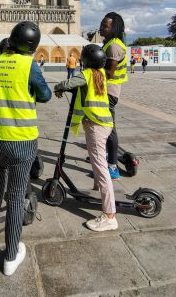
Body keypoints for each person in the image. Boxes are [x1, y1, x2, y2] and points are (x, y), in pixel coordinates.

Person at [0, 21, 51, 276]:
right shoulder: (28, 64)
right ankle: (10, 255)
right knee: (18, 194)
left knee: (1, 172)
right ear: (33, 45)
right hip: (20, 139)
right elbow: (45, 95)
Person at [53, 44, 117, 232]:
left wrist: (58, 87)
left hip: (96, 126)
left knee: (100, 167)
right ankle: (99, 191)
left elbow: (69, 83)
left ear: (86, 61)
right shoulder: (102, 74)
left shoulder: (87, 74)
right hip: (104, 124)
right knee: (100, 162)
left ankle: (109, 215)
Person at [99, 12, 128, 179]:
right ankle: (106, 159)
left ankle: (112, 166)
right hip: (106, 91)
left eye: (105, 26)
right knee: (105, 127)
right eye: (102, 24)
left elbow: (109, 73)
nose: (101, 28)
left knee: (109, 129)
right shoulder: (109, 43)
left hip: (109, 92)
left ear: (113, 28)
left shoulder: (114, 46)